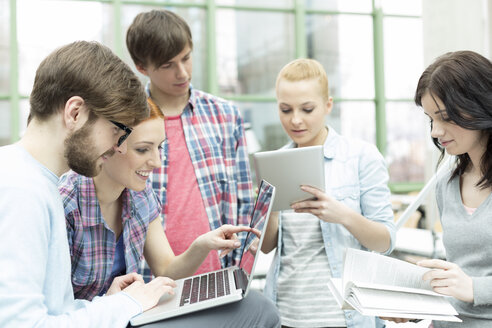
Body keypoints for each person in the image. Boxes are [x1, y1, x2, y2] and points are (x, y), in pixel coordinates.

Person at [59, 98, 281, 327]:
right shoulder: (65, 205)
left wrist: (202, 245)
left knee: (255, 305)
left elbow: (166, 270)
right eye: (143, 149)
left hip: (131, 316)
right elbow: (50, 312)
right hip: (95, 321)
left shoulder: (140, 196)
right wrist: (110, 303)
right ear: (108, 145)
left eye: (160, 147)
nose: (156, 161)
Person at [0, 41, 174, 328]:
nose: (118, 146)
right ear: (76, 113)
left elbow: (53, 312)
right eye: (116, 130)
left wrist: (108, 304)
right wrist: (125, 305)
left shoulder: (36, 182)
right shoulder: (21, 191)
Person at [261, 58, 396, 328]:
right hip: (285, 315)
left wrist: (342, 215)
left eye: (307, 109)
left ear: (328, 105)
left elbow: (385, 241)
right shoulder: (274, 163)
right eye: (285, 109)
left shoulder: (361, 157)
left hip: (344, 318)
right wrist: (270, 210)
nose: (295, 119)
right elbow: (266, 246)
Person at [126, 9, 255, 278]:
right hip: (150, 281)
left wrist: (240, 271)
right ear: (142, 66)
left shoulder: (225, 115)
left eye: (186, 58)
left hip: (219, 276)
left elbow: (244, 203)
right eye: (167, 65)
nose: (182, 72)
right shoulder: (126, 124)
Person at [392, 51, 492, 327]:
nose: (435, 131)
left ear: (480, 106)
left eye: (445, 117)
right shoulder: (446, 183)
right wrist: (414, 305)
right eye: (430, 119)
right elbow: (457, 272)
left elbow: (468, 284)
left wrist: (475, 288)